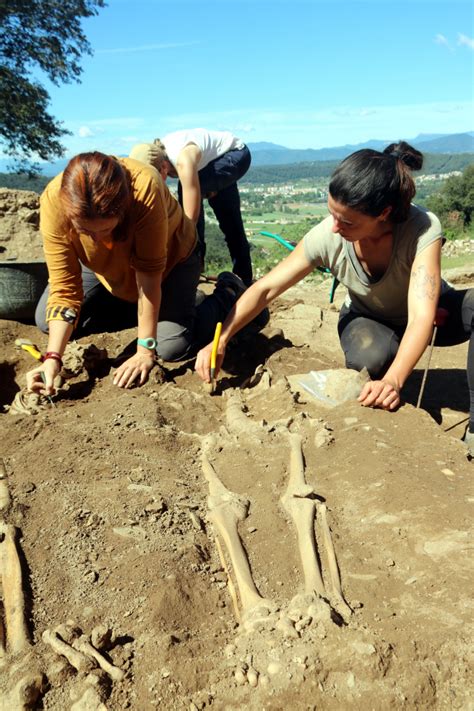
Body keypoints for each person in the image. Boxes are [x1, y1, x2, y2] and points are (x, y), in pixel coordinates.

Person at [195, 142, 474, 456]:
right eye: (332, 214)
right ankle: (389, 372)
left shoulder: (423, 229)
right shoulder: (328, 234)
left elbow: (422, 316)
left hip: (432, 313)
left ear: (383, 213)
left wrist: (394, 381)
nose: (336, 227)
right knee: (368, 359)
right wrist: (223, 337)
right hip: (370, 318)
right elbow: (265, 289)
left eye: (348, 222)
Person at [27, 151, 256, 395]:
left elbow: (148, 277)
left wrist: (145, 349)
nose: (94, 239)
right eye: (84, 231)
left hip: (173, 260)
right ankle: (163, 309)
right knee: (47, 320)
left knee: (170, 347)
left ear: (122, 210)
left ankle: (228, 294)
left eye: (104, 229)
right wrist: (52, 358)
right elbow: (64, 287)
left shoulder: (145, 188)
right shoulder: (54, 202)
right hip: (106, 266)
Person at [129, 128, 253, 286]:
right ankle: (208, 271)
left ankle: (199, 269)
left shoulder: (183, 160)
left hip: (236, 155)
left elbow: (190, 217)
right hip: (211, 165)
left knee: (191, 192)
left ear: (164, 167)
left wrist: (179, 239)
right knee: (230, 222)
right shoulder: (160, 154)